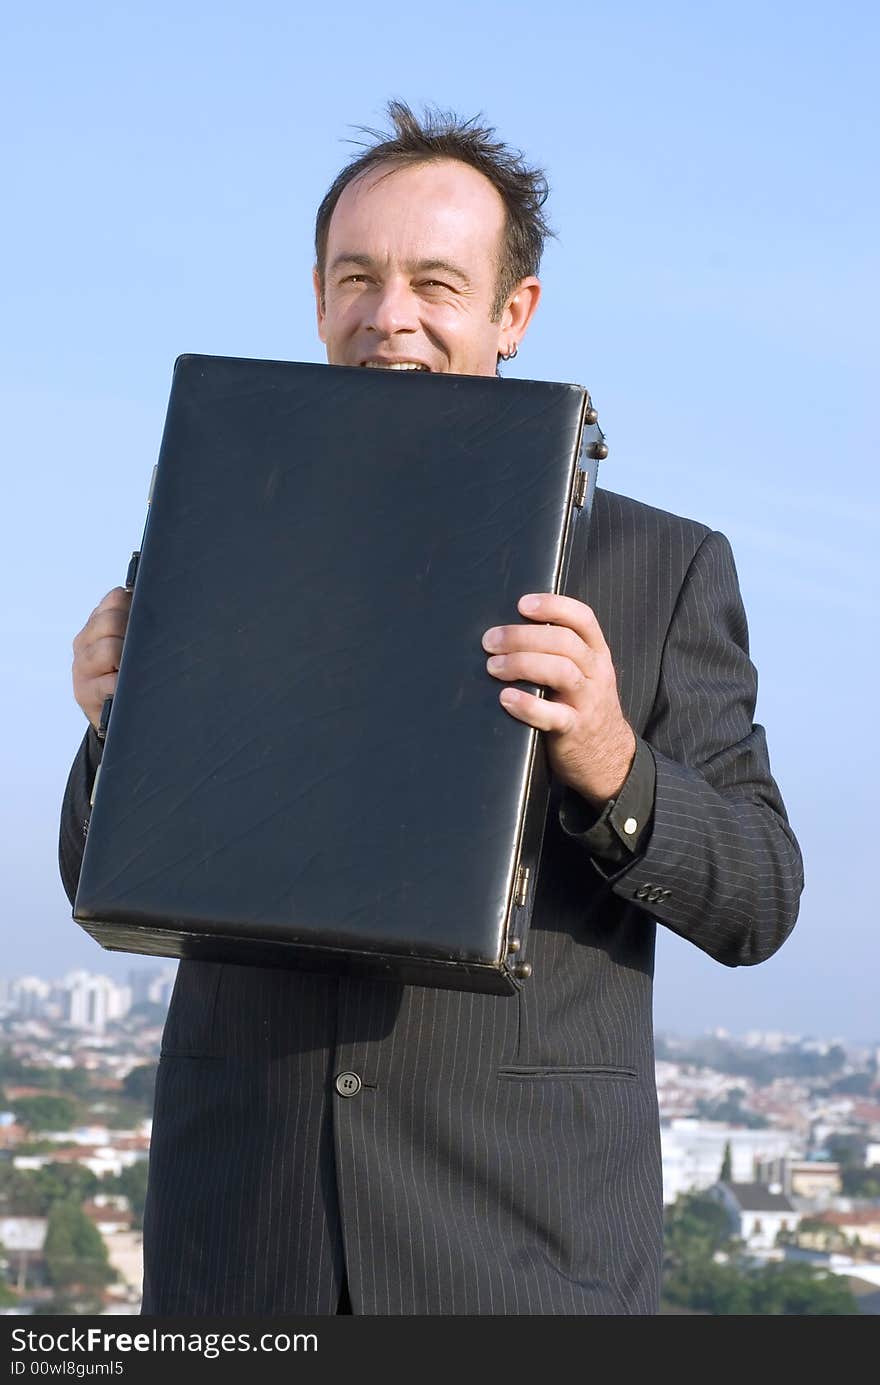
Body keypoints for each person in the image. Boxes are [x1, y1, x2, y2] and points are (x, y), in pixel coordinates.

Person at [59, 101, 803, 1316]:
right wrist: (111, 734)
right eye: (357, 276)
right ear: (315, 296)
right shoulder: (210, 524)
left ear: (514, 315)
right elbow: (96, 874)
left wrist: (611, 758)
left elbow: (762, 896)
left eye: (434, 282)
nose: (387, 315)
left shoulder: (660, 567)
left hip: (515, 1263)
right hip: (240, 1254)